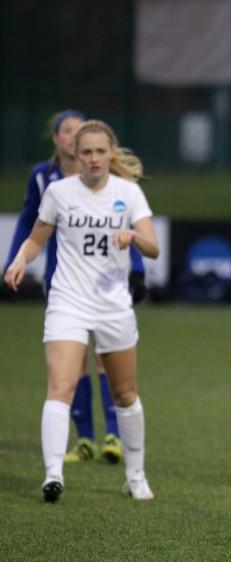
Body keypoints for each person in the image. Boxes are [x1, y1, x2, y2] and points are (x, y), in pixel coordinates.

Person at [4, 119, 159, 503]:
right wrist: (20, 260)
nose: (92, 159)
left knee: (125, 394)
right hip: (68, 301)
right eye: (85, 151)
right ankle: (53, 475)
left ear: (111, 154)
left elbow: (153, 248)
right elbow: (37, 236)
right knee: (61, 385)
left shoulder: (129, 193)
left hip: (112, 305)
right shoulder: (58, 192)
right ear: (75, 152)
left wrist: (133, 236)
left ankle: (136, 476)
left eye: (99, 152)